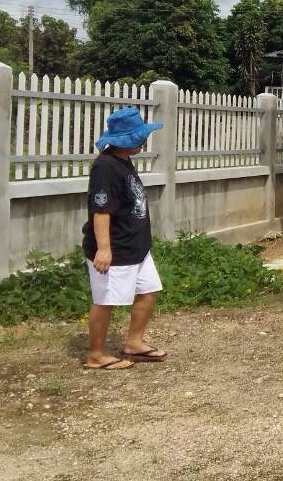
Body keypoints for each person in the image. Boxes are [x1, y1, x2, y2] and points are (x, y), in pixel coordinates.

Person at [81, 106, 168, 370]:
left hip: (136, 247)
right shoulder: (105, 167)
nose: (143, 141)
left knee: (148, 291)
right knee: (106, 300)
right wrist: (104, 249)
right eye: (139, 137)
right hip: (115, 247)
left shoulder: (123, 160)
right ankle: (96, 354)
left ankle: (134, 342)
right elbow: (101, 209)